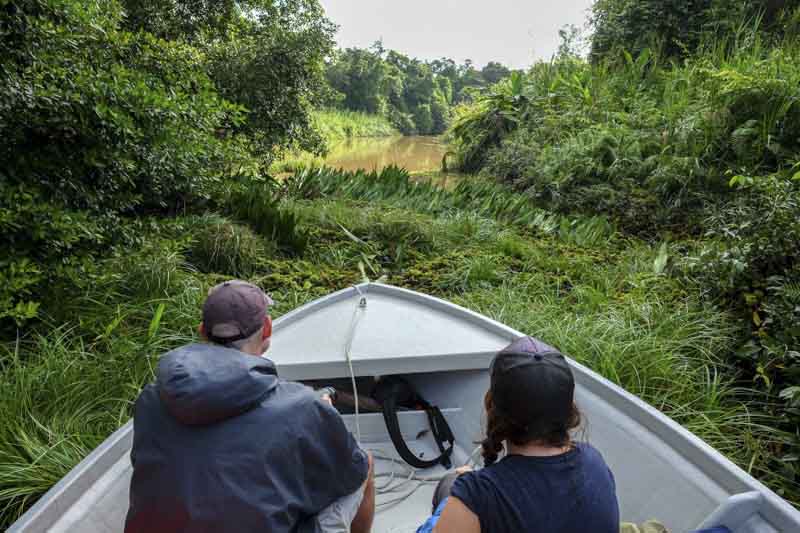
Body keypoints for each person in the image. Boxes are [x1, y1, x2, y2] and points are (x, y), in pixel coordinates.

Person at [125, 280, 375, 533]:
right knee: (364, 464)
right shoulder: (304, 407)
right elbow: (349, 468)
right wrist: (323, 414)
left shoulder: (152, 398)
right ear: (267, 329)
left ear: (202, 331)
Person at [418, 336, 619, 533]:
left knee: (450, 484)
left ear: (492, 409)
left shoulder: (477, 494)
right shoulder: (594, 461)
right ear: (569, 409)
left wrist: (463, 492)